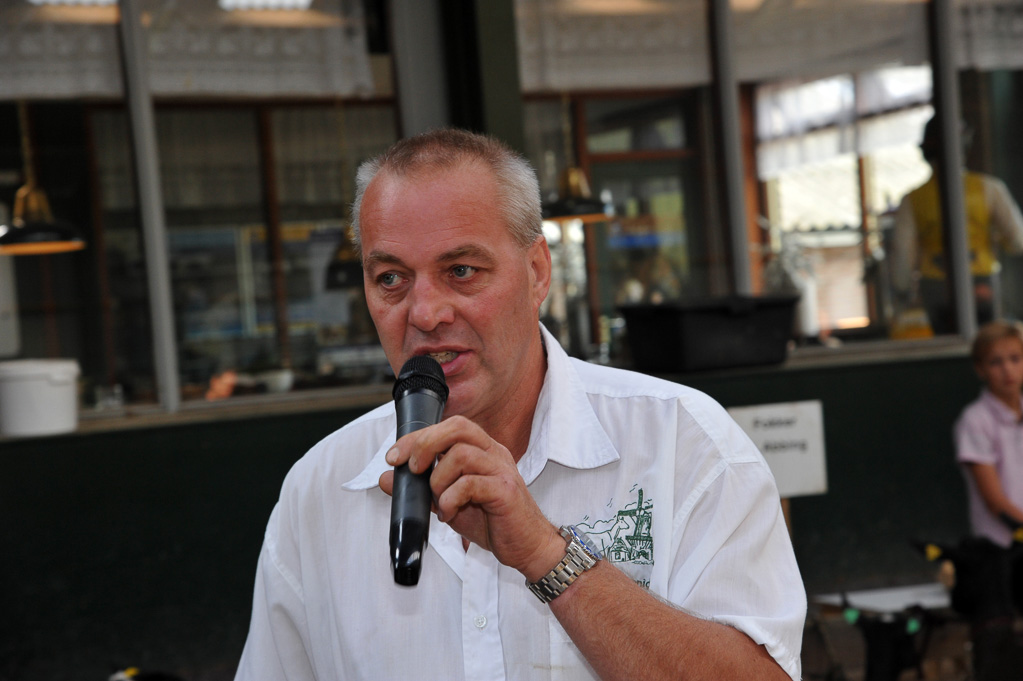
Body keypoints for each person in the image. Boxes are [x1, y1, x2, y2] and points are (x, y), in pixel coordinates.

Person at [234, 129, 806, 681]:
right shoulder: (318, 492)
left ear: (537, 273)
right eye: (391, 278)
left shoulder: (686, 445)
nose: (425, 311)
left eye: (461, 271)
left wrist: (547, 554)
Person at [891, 117, 1023, 334]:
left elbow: (902, 251)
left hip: (936, 284)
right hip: (982, 278)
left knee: (947, 342)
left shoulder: (913, 199)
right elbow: (1018, 241)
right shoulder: (990, 188)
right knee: (988, 341)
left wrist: (903, 289)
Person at [955, 320, 1023, 548]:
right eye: (996, 362)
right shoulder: (974, 421)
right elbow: (995, 502)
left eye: (1015, 359)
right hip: (998, 552)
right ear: (980, 369)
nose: (1008, 370)